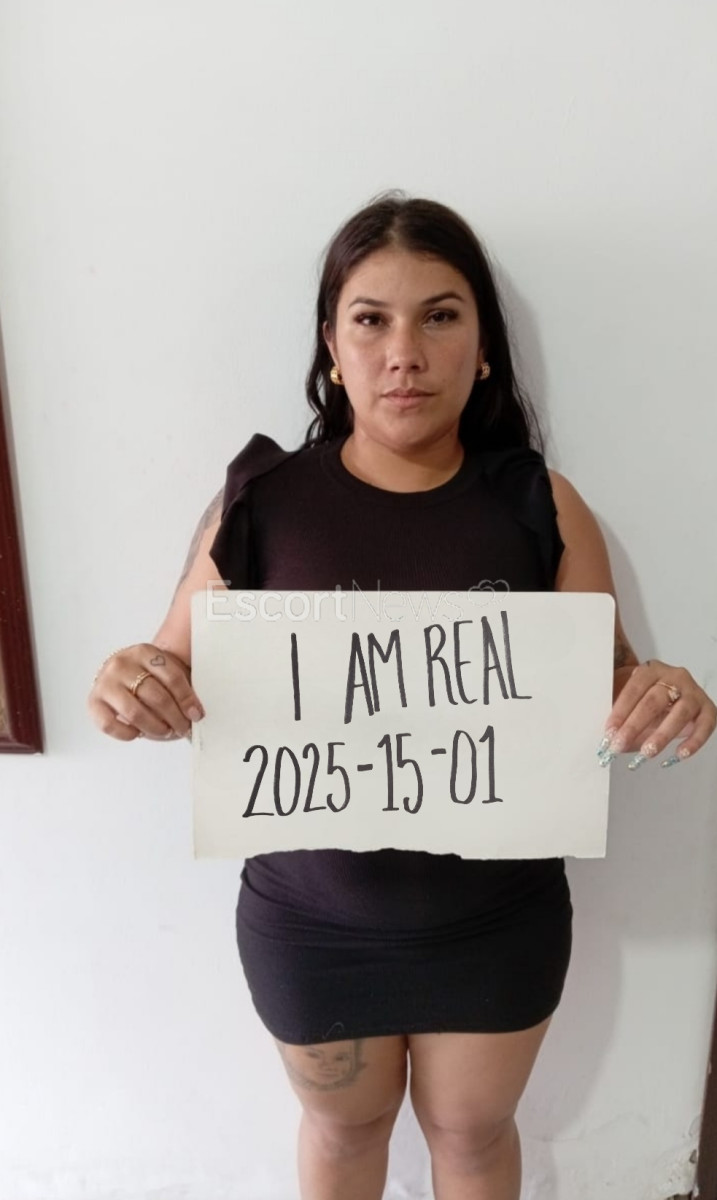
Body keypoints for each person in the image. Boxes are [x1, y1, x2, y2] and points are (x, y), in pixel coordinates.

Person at [88, 193, 716, 1200]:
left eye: (440, 316)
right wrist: (132, 687)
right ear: (332, 348)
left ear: (484, 348)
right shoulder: (261, 502)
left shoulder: (542, 506)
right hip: (309, 916)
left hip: (496, 916)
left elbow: (609, 689)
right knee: (343, 1133)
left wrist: (665, 698)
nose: (404, 353)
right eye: (371, 319)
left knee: (472, 1134)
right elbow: (171, 668)